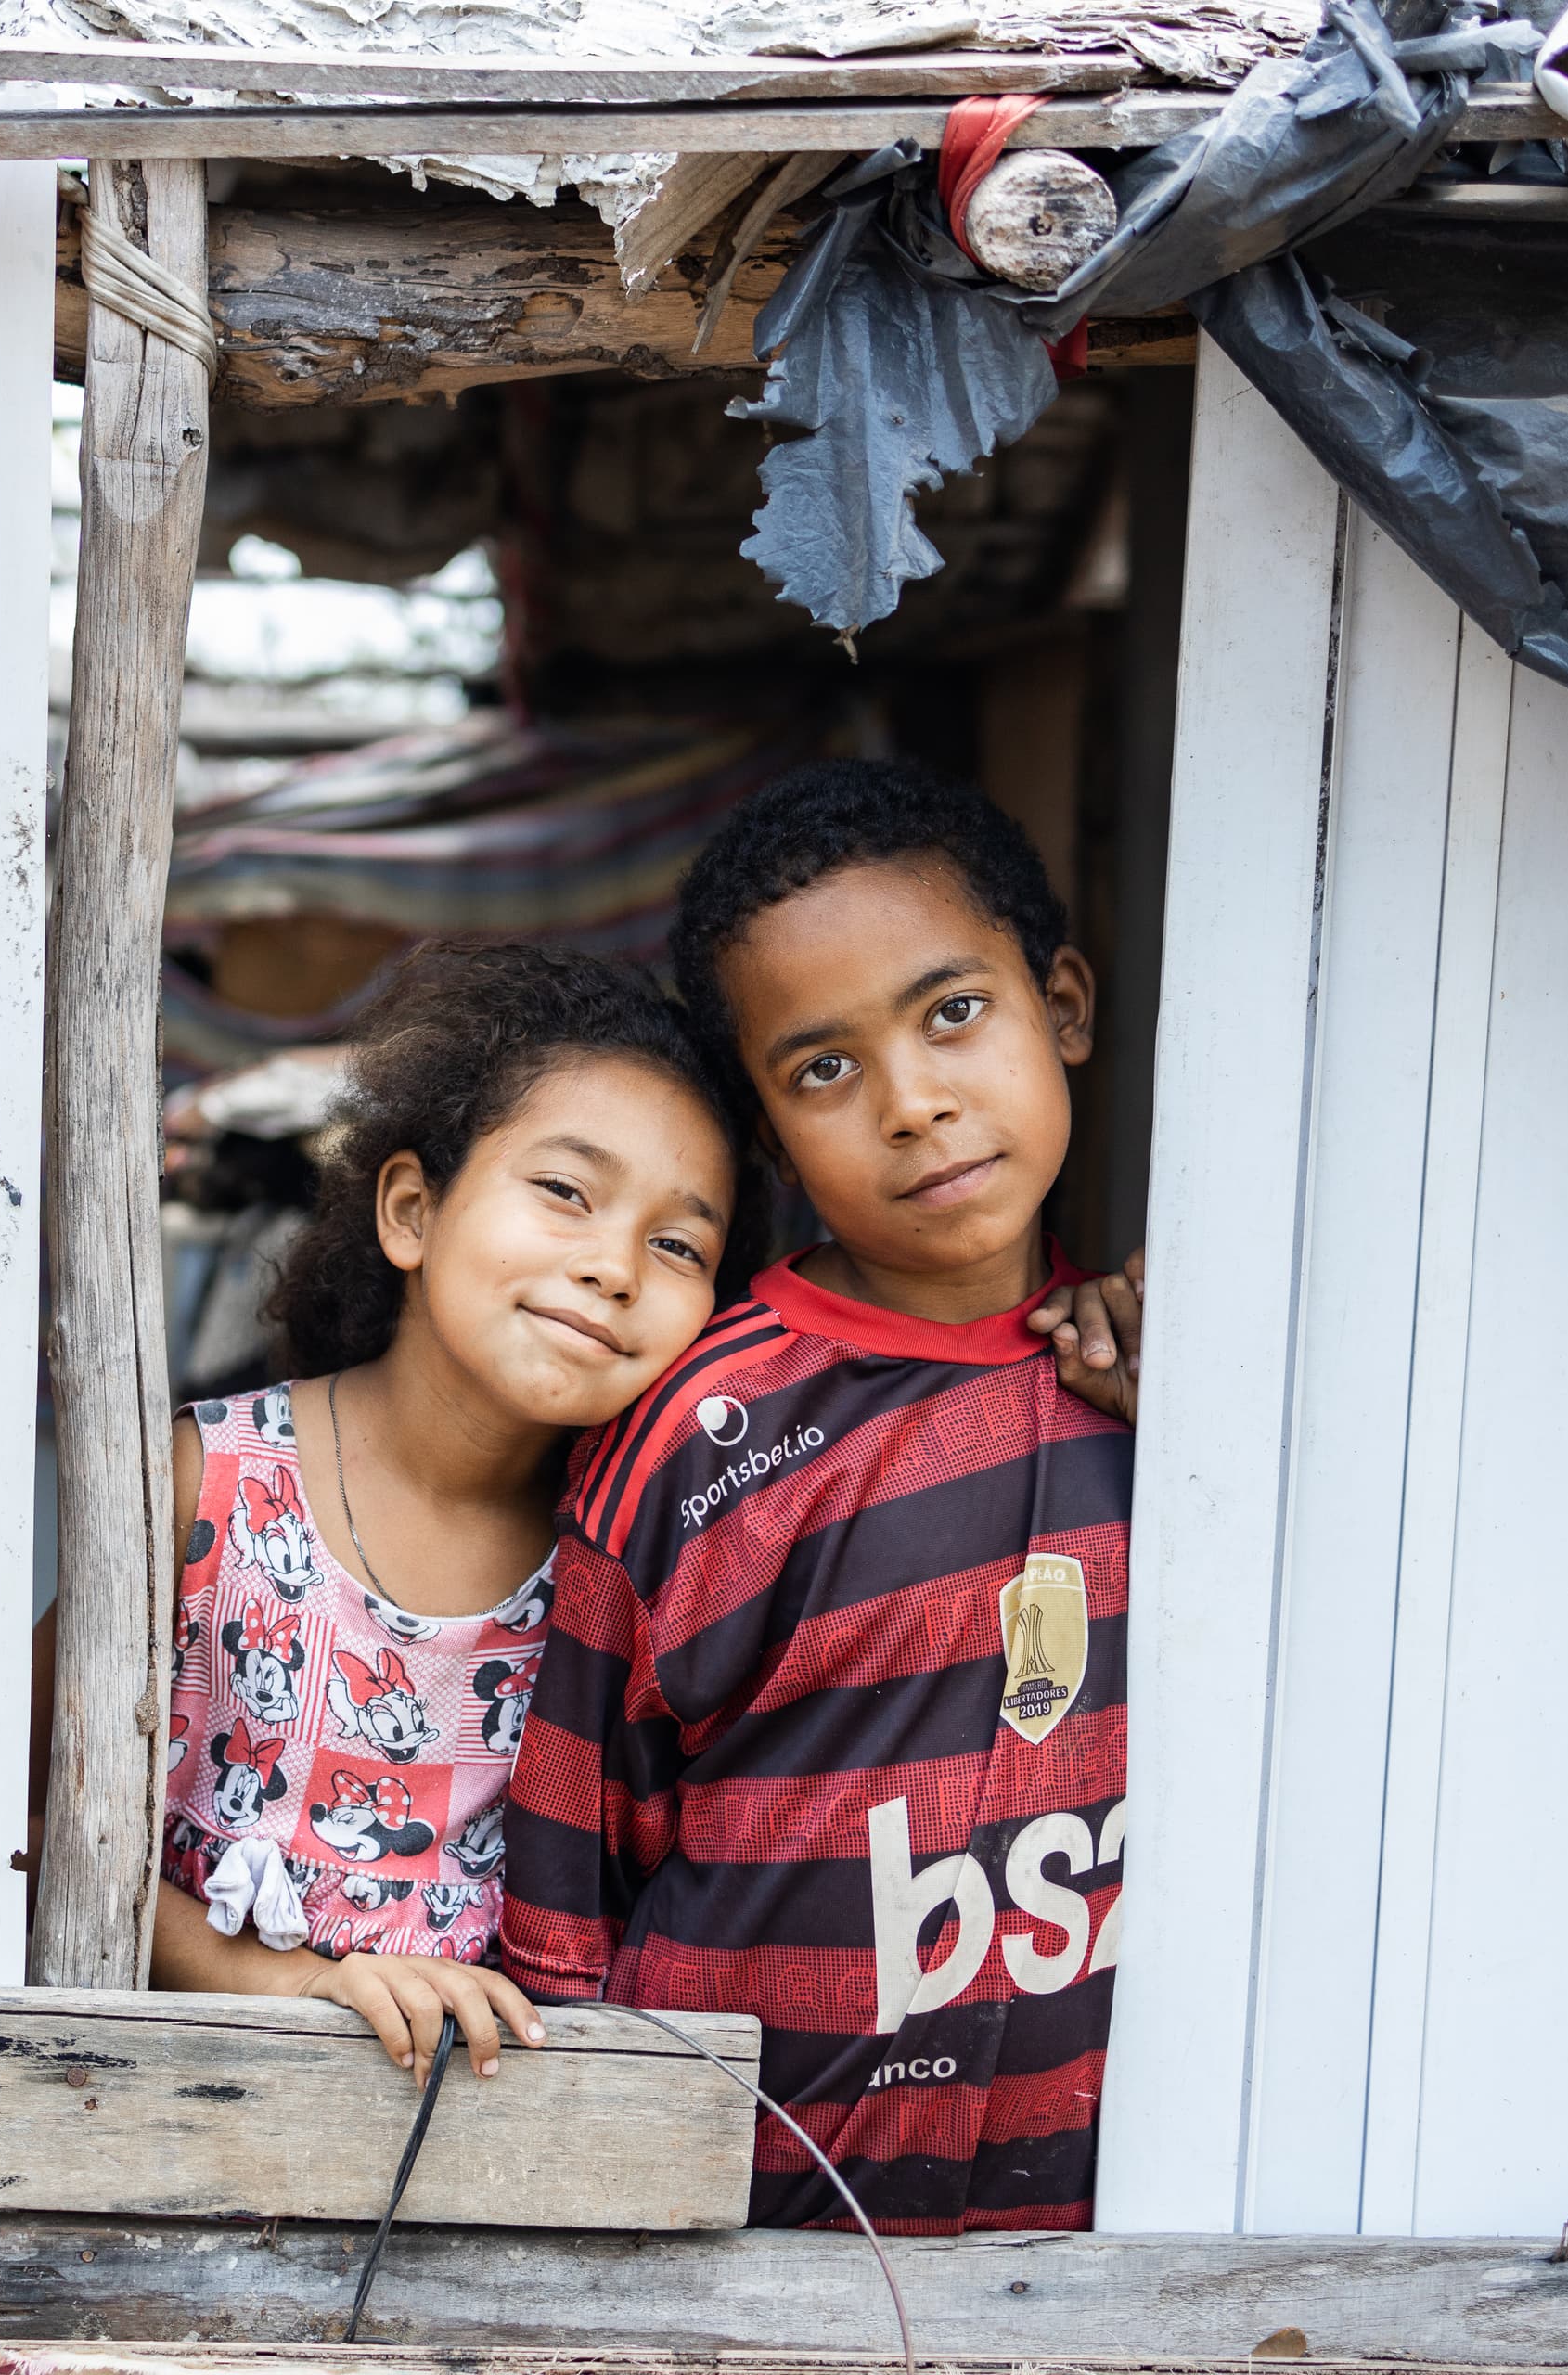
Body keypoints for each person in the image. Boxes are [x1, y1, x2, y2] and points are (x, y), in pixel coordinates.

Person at [503, 760, 1144, 2233]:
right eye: (825, 1069)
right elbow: (564, 1892)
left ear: (1064, 1004)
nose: (916, 1104)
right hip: (736, 2240)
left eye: (954, 1013)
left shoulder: (1174, 1402)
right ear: (770, 1130)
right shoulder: (698, 1438)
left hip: (1090, 2246)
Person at [144, 940, 758, 2083]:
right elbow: (17, 1820)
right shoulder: (203, 1485)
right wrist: (292, 1985)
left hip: (472, 2184)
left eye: (678, 1244)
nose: (614, 1266)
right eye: (566, 1191)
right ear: (413, 1210)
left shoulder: (634, 1565)